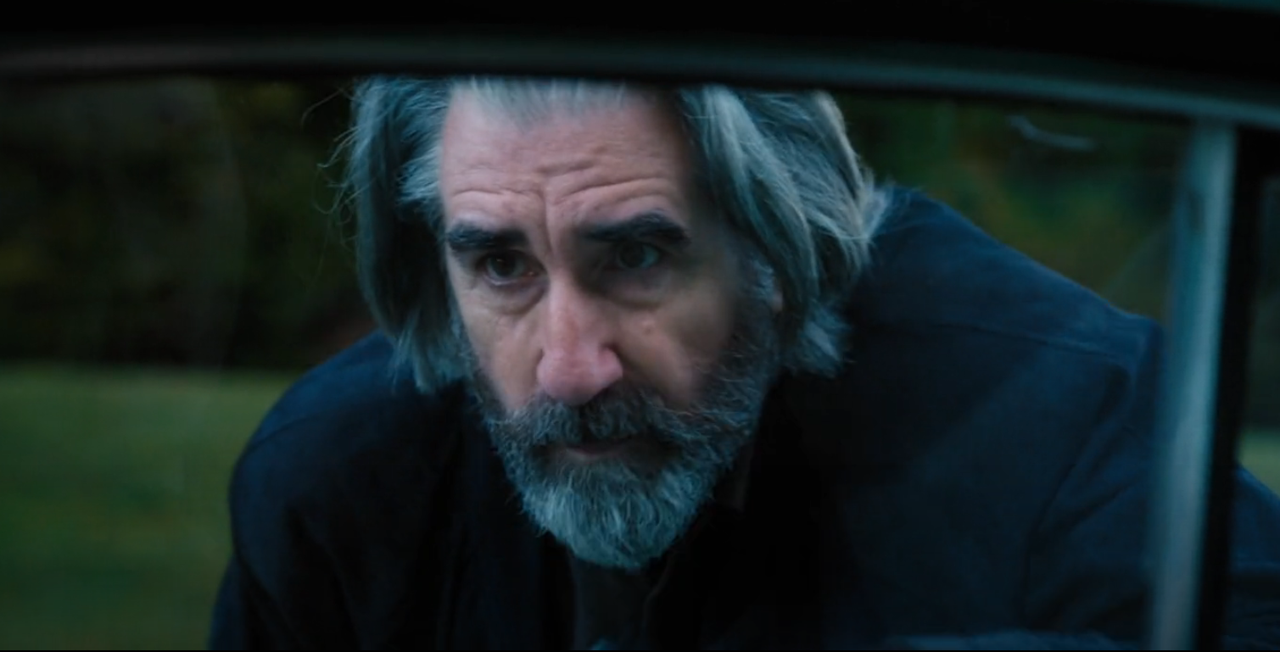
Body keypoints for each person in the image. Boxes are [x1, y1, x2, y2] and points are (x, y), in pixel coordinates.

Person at [207, 76, 1280, 650]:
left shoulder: (1062, 409)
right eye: (499, 265)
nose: (568, 369)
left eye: (635, 256)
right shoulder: (332, 483)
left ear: (776, 246)